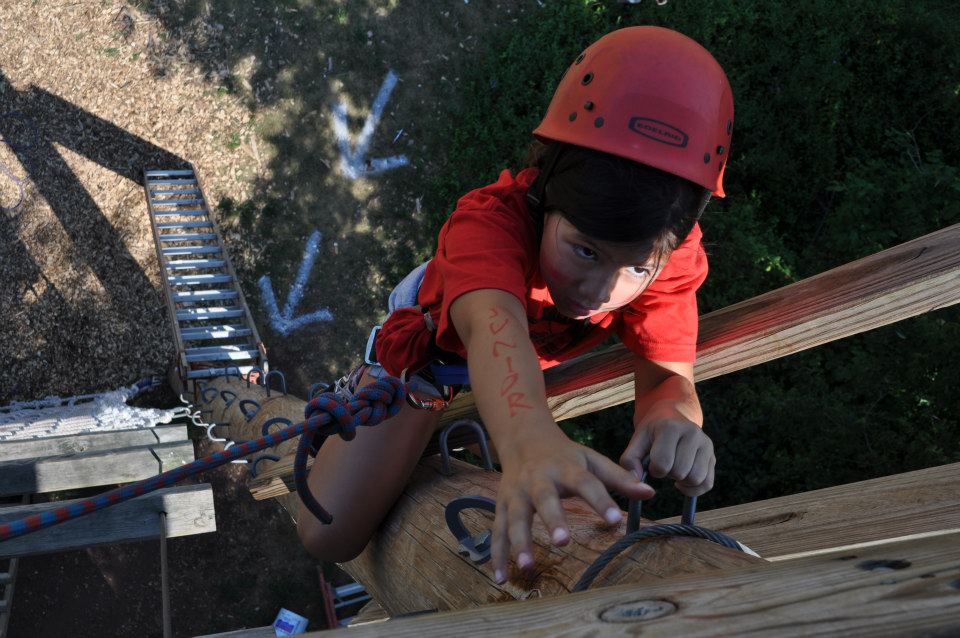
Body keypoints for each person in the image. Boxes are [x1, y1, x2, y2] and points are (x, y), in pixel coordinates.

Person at [298, 25, 734, 585]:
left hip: (524, 355)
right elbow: (489, 326)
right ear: (546, 191)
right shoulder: (488, 226)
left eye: (635, 269)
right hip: (433, 349)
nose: (603, 290)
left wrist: (672, 417)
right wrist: (528, 439)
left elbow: (669, 377)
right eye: (585, 250)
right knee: (328, 531)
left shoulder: (669, 256)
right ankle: (368, 375)